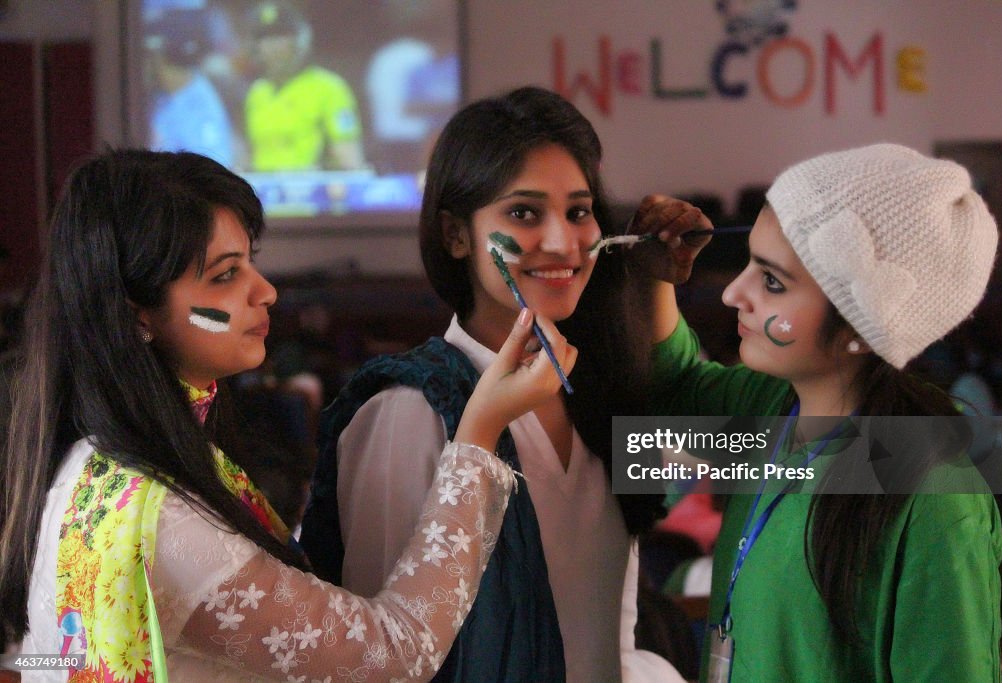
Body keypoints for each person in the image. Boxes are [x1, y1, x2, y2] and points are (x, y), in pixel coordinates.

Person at [0, 149, 578, 681]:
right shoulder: (406, 406)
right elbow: (396, 652)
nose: (266, 291)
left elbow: (48, 653)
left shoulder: (96, 461)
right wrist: (478, 435)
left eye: (581, 212)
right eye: (225, 276)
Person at [301, 86, 710, 682]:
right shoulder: (409, 410)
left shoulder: (597, 393)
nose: (561, 242)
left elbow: (762, 461)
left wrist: (885, 440)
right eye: (523, 212)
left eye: (578, 211)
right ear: (456, 234)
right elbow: (376, 661)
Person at [646, 143, 1002, 681]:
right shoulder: (774, 407)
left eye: (772, 282)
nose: (732, 294)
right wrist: (656, 275)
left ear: (861, 326)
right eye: (749, 265)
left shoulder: (934, 502)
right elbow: (677, 387)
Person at [244, 0, 366, 171]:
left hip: (311, 193)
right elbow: (252, 154)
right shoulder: (257, 93)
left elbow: (349, 157)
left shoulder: (329, 88)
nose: (272, 47)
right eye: (265, 38)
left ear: (300, 41)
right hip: (263, 193)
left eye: (280, 36)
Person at [145, 8, 236, 168]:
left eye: (151, 56)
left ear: (162, 57)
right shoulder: (161, 97)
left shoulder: (200, 102)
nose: (146, 63)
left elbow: (213, 171)